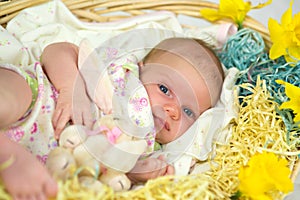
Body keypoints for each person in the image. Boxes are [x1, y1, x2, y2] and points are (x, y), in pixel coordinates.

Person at [0, 37, 224, 199]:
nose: (172, 110)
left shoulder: (145, 146)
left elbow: (112, 169)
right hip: (39, 95)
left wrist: (138, 173)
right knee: (8, 99)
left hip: (43, 157)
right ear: (142, 69)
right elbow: (57, 51)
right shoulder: (120, 71)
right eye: (165, 89)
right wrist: (69, 87)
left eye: (188, 112)